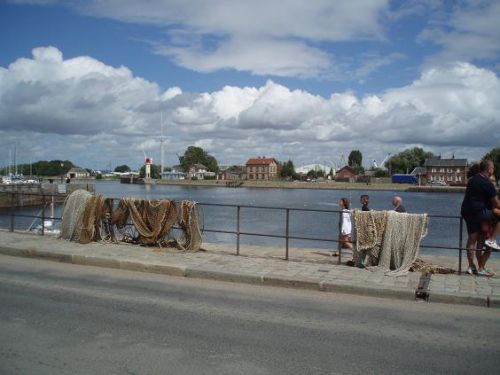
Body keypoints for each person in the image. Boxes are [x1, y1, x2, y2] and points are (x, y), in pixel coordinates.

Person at [461, 159, 500, 277]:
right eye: (493, 168)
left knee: (472, 238)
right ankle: (492, 239)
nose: (493, 169)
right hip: (479, 213)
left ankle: (471, 266)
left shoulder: (472, 179)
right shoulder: (487, 183)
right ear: (489, 169)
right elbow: (497, 203)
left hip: (466, 212)